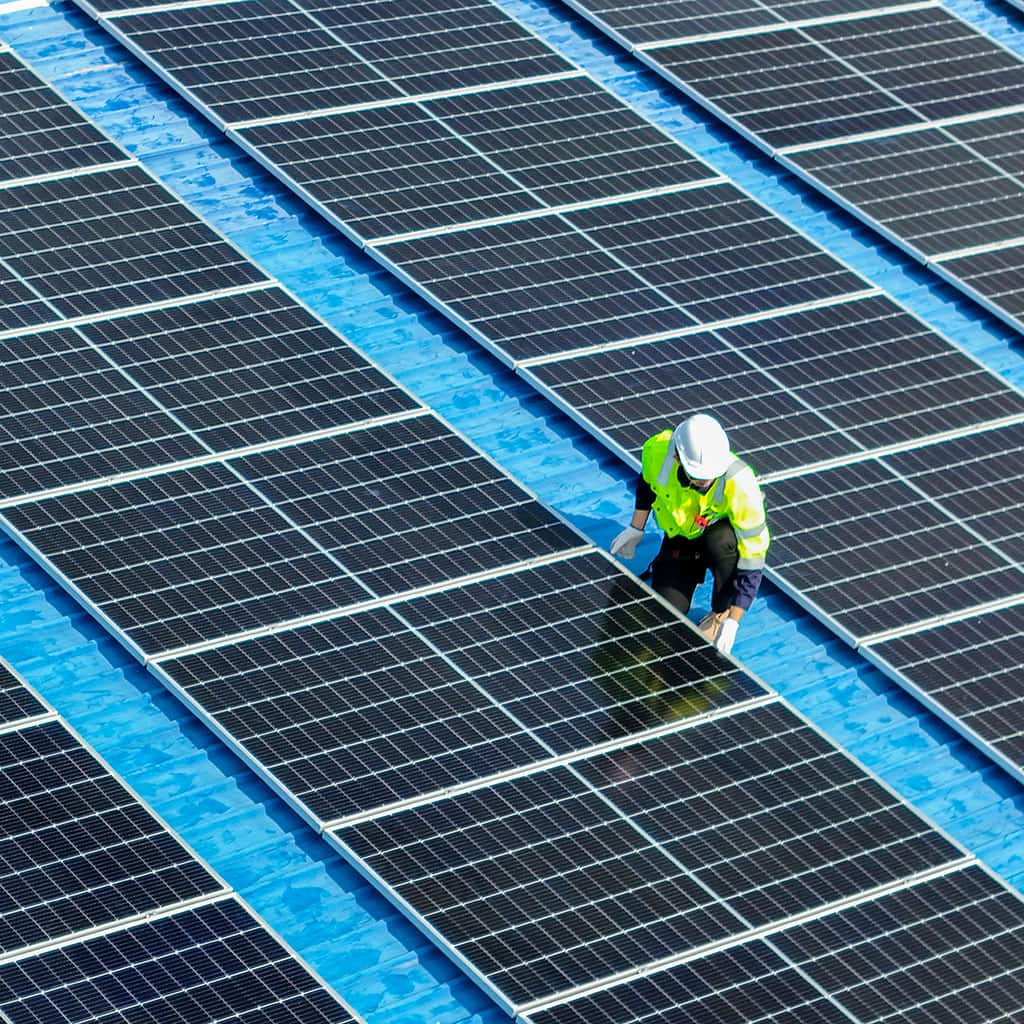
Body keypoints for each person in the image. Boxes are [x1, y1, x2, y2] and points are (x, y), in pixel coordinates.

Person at [610, 413, 769, 655]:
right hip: (682, 541)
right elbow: (646, 485)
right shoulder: (657, 451)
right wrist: (636, 527)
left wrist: (733, 619)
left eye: (711, 476)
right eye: (700, 477)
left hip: (721, 542)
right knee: (667, 610)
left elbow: (753, 558)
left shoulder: (740, 483)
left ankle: (719, 612)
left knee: (722, 541)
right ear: (677, 458)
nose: (707, 481)